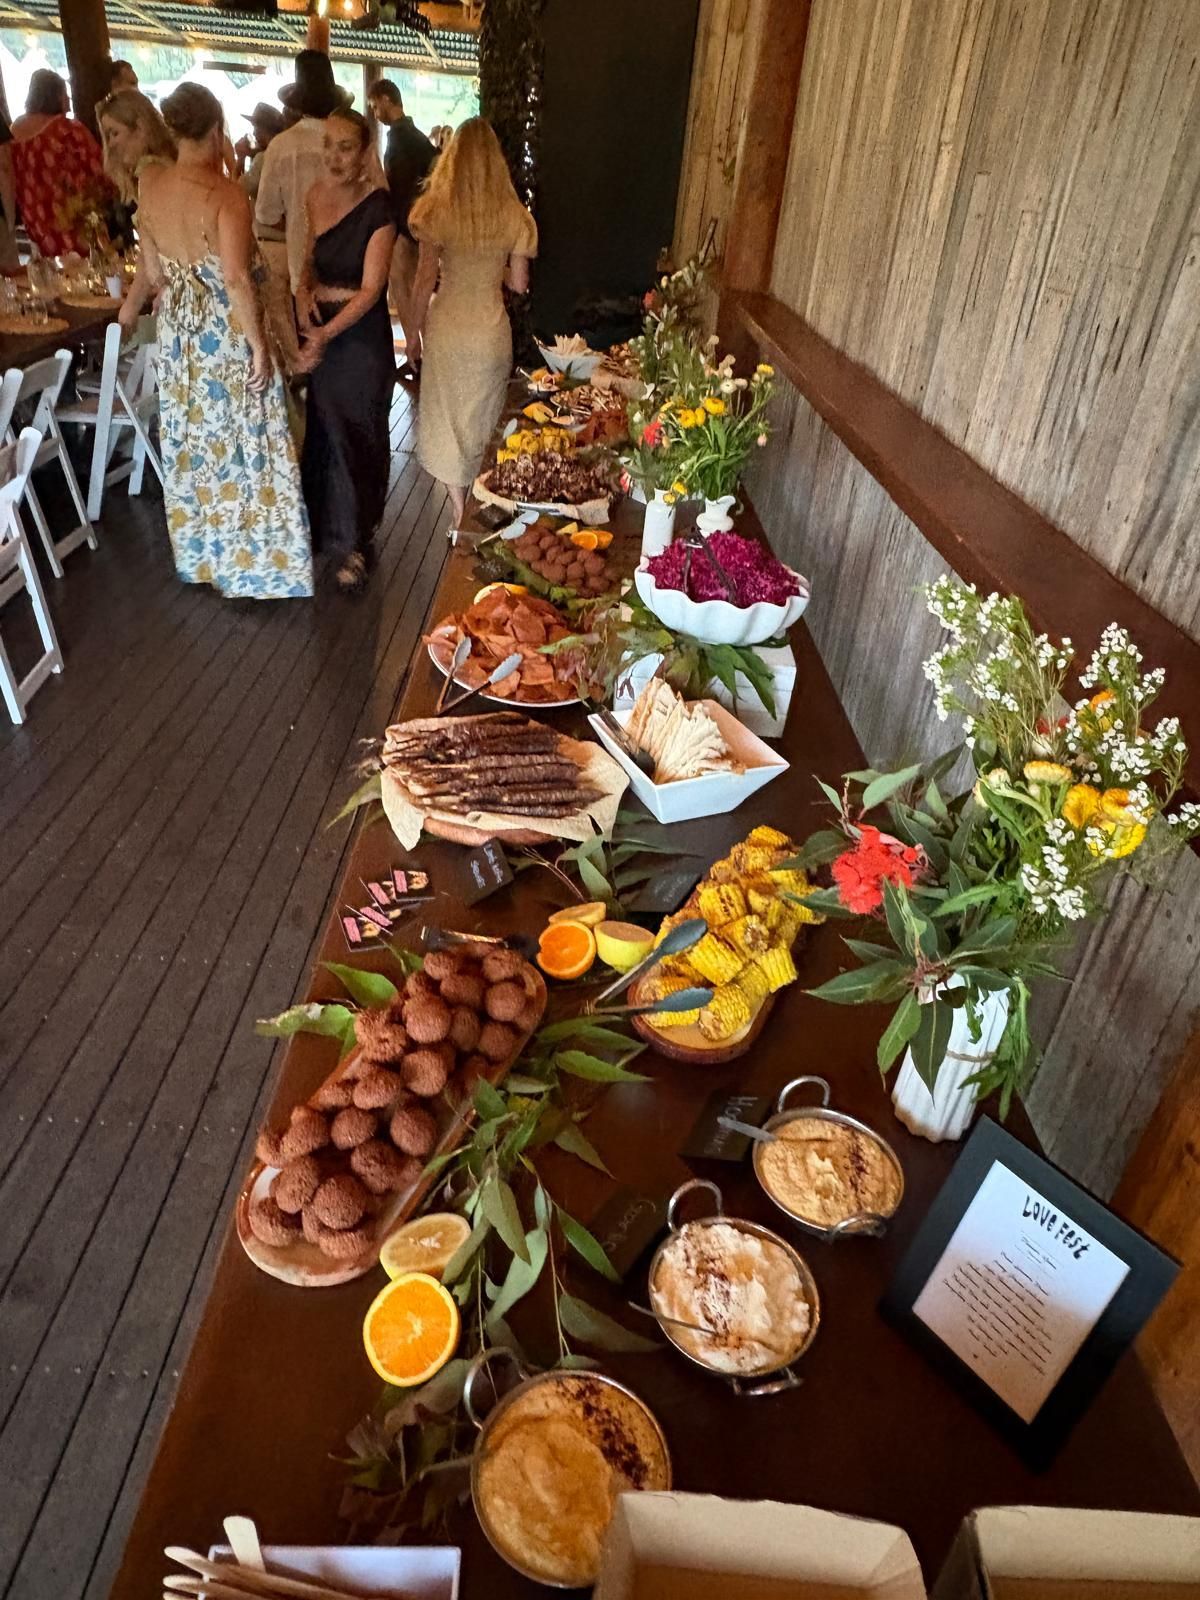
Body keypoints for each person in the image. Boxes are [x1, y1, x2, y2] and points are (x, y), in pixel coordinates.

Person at [132, 82, 312, 601]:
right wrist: (259, 346)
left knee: (194, 445)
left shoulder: (152, 186)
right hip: (223, 336)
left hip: (179, 340)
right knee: (246, 444)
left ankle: (203, 556)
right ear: (216, 131)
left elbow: (153, 273)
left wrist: (175, 288)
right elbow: (235, 278)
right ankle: (257, 567)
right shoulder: (225, 194)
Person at [408, 117, 537, 526]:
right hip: (489, 331)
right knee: (485, 422)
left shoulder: (436, 210)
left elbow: (424, 279)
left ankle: (460, 509)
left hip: (447, 328)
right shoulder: (514, 215)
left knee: (448, 423)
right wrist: (492, 265)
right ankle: (482, 511)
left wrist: (412, 333)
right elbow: (518, 284)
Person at [295, 108, 396, 592]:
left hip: (359, 341)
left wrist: (324, 333)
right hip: (322, 332)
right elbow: (307, 269)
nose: (333, 156)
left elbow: (372, 290)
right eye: (328, 144)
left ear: (363, 153)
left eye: (345, 147)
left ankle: (357, 542)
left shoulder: (380, 207)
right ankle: (332, 536)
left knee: (357, 436)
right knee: (325, 435)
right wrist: (300, 301)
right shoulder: (314, 196)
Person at [255, 50, 350, 373]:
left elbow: (265, 214)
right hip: (353, 274)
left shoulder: (281, 146)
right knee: (346, 368)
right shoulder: (352, 144)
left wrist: (298, 222)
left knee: (311, 363)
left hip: (303, 275)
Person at [366, 78, 434, 378]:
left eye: (374, 105)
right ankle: (420, 351)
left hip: (407, 226)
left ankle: (416, 351)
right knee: (412, 289)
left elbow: (399, 187)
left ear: (384, 99)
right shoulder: (416, 138)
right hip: (416, 224)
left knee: (406, 289)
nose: (374, 111)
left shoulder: (401, 139)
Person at [10, 69, 110, 257]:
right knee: (87, 267)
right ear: (55, 96)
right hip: (72, 214)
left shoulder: (14, 131)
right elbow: (99, 167)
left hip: (34, 216)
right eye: (65, 93)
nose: (68, 100)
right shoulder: (68, 129)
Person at [236, 101, 284, 204]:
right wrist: (251, 153)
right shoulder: (286, 149)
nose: (253, 132)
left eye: (255, 127)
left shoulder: (262, 158)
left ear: (264, 129)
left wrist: (240, 158)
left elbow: (236, 190)